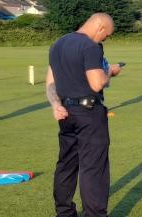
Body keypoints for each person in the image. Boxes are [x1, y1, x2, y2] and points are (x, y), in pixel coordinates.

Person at [46, 13, 123, 217]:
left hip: (65, 113)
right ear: (100, 28)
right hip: (89, 113)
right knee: (94, 168)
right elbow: (97, 83)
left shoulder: (58, 44)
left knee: (66, 164)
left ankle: (64, 213)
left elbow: (50, 81)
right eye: (107, 35)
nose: (105, 39)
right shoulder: (90, 46)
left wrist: (55, 104)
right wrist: (110, 72)